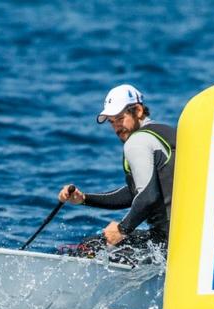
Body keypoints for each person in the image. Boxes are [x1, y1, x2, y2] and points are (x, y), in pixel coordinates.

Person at [58, 84, 176, 264]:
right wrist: (84, 198)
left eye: (120, 118)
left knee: (88, 248)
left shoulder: (137, 141)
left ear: (138, 110)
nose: (116, 128)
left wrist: (122, 229)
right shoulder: (168, 134)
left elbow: (148, 196)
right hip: (184, 238)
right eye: (111, 122)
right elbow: (135, 192)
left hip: (166, 243)